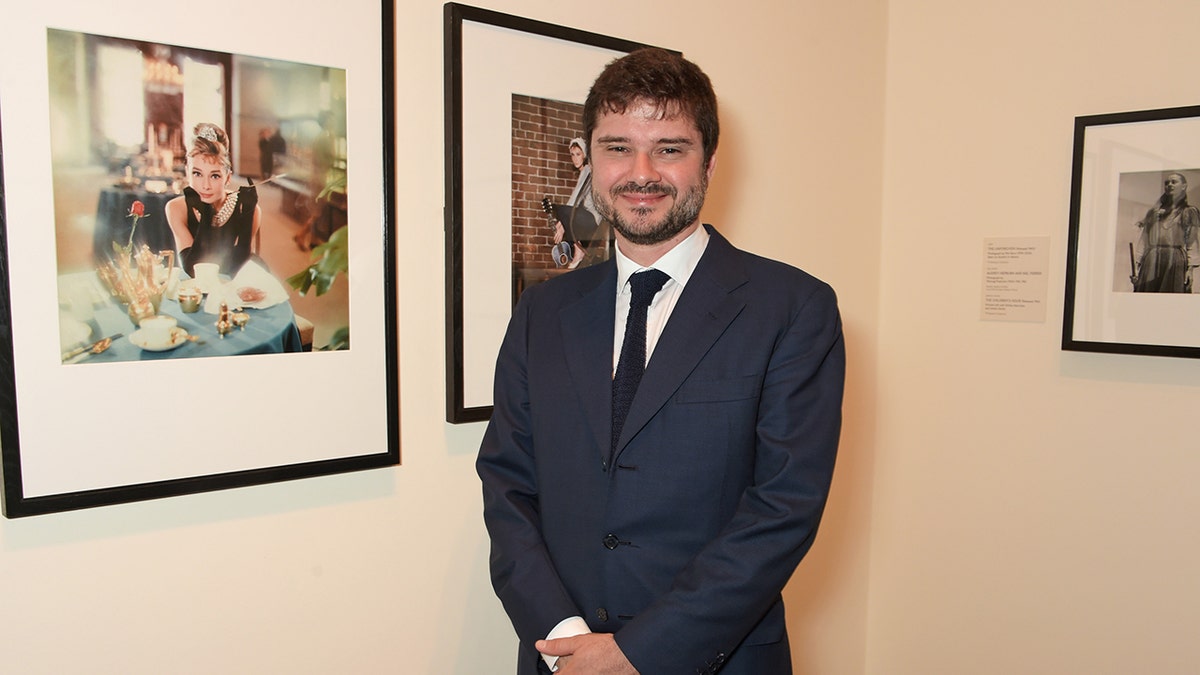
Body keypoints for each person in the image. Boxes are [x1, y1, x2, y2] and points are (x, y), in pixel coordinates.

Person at [477, 48, 844, 675]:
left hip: (717, 660)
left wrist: (635, 653)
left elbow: (783, 509)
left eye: (669, 149)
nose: (640, 172)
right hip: (562, 657)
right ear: (590, 157)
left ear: (710, 162)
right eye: (617, 146)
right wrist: (567, 639)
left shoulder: (793, 308)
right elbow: (507, 484)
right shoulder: (543, 312)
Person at [165, 122, 261, 277]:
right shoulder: (175, 208)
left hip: (233, 290)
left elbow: (242, 268)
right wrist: (206, 213)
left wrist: (248, 215)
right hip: (194, 290)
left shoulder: (250, 210)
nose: (205, 186)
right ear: (187, 172)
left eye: (215, 176)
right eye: (197, 174)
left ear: (227, 177)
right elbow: (192, 269)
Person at [1130, 171, 1200, 293]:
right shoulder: (1154, 213)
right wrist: (1137, 266)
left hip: (1175, 261)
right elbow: (1144, 240)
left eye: (1174, 182)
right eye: (1167, 183)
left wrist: (1190, 270)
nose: (1170, 185)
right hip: (1151, 259)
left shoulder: (1188, 212)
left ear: (1184, 186)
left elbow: (1192, 243)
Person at [552, 137, 609, 269]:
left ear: (585, 154)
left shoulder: (588, 170)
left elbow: (575, 198)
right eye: (572, 155)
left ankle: (578, 250)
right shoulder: (585, 171)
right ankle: (575, 249)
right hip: (586, 219)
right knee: (563, 212)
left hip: (592, 219)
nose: (575, 158)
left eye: (578, 154)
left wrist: (560, 223)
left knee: (561, 210)